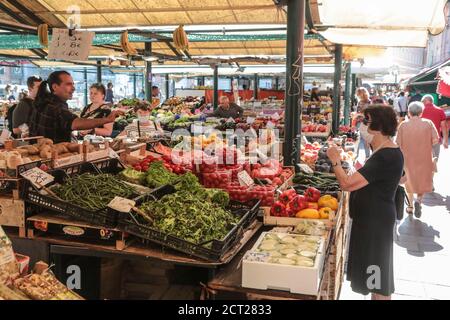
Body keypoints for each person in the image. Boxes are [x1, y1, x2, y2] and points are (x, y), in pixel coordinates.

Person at [327, 105, 403, 300]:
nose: (362, 126)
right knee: (374, 276)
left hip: (375, 224)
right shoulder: (384, 150)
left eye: (366, 122)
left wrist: (335, 160)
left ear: (378, 127)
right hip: (373, 220)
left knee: (377, 278)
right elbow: (399, 177)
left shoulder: (385, 155)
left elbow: (346, 184)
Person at [29, 71, 122, 143]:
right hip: (51, 158)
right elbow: (75, 123)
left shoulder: (43, 102)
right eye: (69, 84)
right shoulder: (55, 107)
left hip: (39, 156)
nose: (73, 88)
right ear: (55, 87)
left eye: (73, 84)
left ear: (103, 95)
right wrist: (107, 119)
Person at [396, 102, 438, 218]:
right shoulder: (428, 123)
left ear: (409, 112)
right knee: (422, 180)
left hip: (407, 158)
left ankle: (410, 207)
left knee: (409, 181)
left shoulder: (403, 125)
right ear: (421, 112)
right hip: (425, 156)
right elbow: (435, 140)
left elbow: (397, 143)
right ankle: (419, 200)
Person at [420, 95, 449, 161]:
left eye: (422, 101)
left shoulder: (420, 111)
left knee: (423, 161)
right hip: (436, 139)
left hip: (422, 139)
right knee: (434, 161)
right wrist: (445, 140)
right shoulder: (440, 110)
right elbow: (444, 127)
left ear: (425, 101)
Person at [355, 87, 372, 158]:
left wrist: (359, 114)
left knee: (364, 140)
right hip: (360, 122)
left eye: (359, 94)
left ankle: (366, 156)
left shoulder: (368, 102)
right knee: (359, 139)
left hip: (365, 122)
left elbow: (369, 114)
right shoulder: (362, 102)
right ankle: (358, 156)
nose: (358, 96)